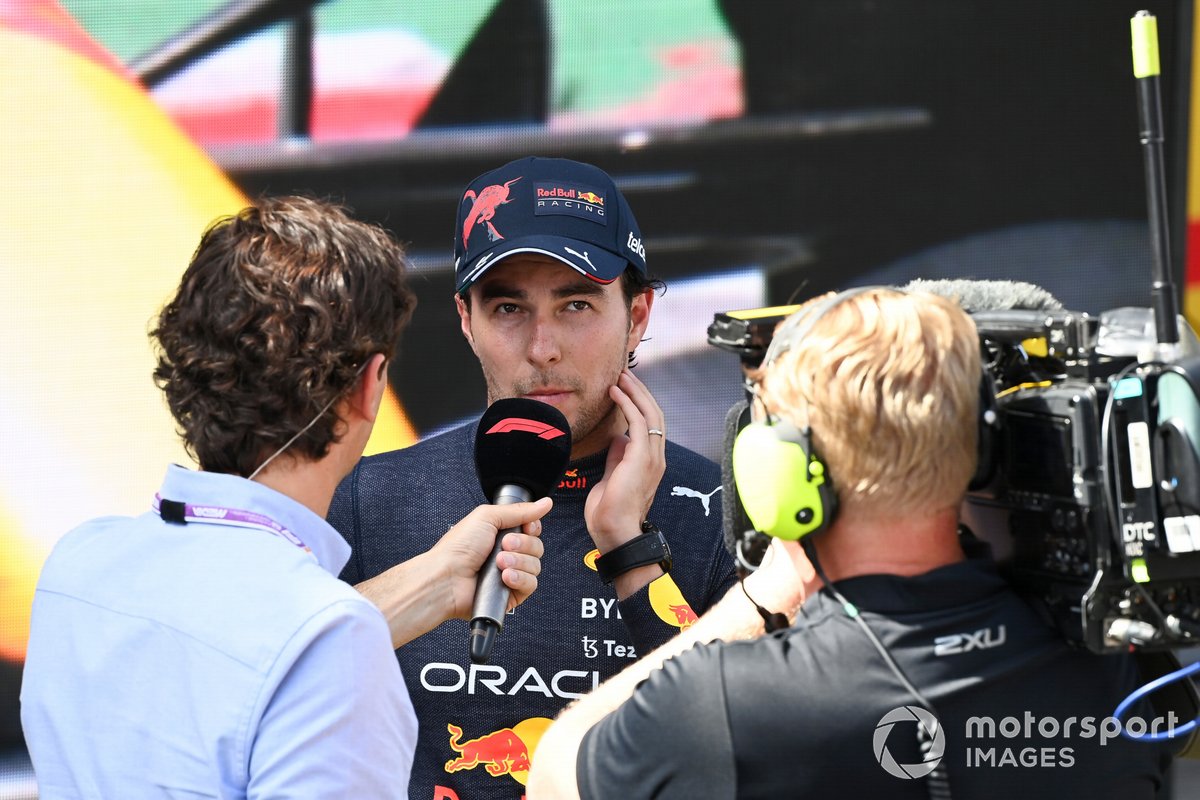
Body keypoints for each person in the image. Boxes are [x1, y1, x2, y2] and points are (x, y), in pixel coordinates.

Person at [527, 287, 1175, 799]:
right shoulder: (1123, 680)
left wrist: (759, 597)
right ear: (977, 453)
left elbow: (554, 773)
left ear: (778, 476)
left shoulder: (719, 709)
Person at [20, 196, 551, 798]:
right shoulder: (327, 638)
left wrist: (433, 584)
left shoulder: (79, 562)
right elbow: (282, 650)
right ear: (369, 387)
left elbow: (243, 663)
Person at [328, 156, 737, 799]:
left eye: (576, 304)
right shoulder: (367, 498)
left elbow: (736, 757)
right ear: (466, 320)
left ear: (638, 315)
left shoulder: (722, 515)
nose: (543, 346)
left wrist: (628, 542)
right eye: (509, 308)